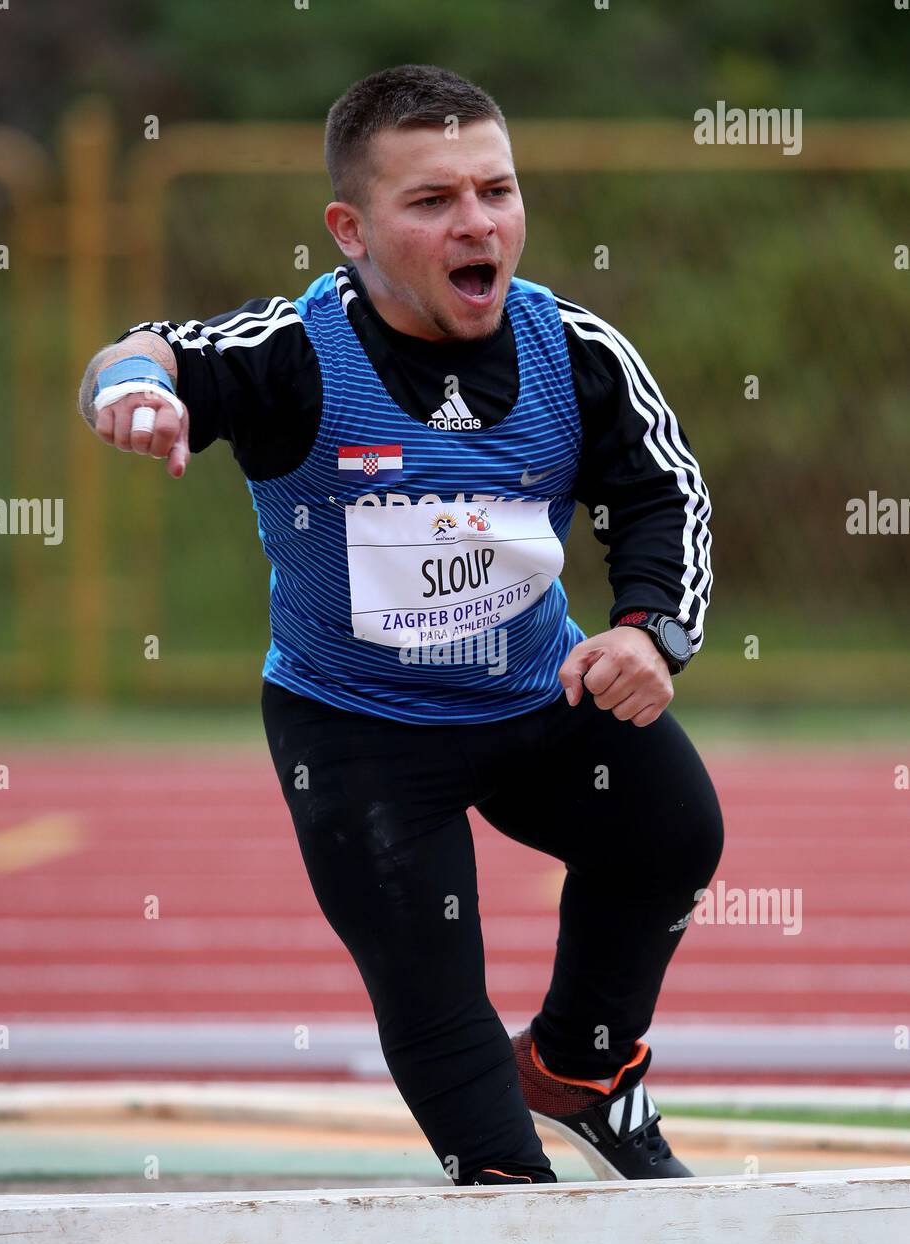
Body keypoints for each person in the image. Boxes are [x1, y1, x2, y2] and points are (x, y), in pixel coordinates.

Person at [78, 64, 723, 1186]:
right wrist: (132, 393)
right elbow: (149, 349)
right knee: (437, 1001)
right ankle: (501, 1173)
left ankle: (580, 1070)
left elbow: (665, 491)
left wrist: (646, 631)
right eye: (432, 201)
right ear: (354, 229)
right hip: (359, 730)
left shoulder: (573, 347)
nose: (478, 223)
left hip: (535, 694)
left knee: (675, 829)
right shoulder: (295, 351)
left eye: (497, 190)